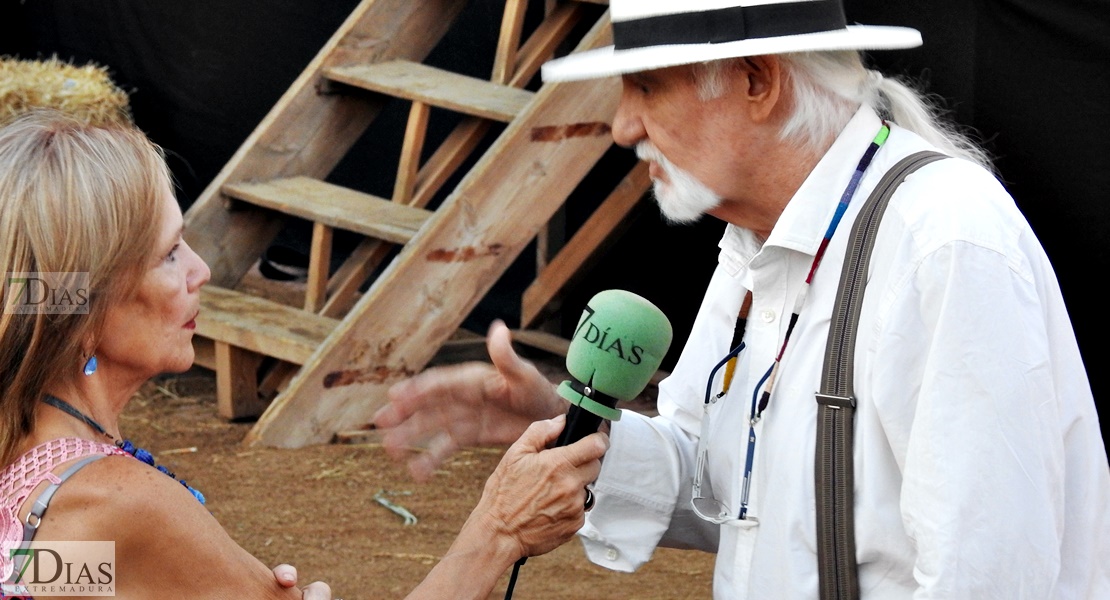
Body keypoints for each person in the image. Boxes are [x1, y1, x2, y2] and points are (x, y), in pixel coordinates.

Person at [374, 0, 1110, 597]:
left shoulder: (944, 242)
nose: (624, 125)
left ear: (759, 81)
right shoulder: (756, 241)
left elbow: (987, 578)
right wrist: (572, 427)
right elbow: (722, 478)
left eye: (648, 87)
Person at [0, 109, 607, 599]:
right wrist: (497, 530)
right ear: (78, 312)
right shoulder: (122, 503)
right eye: (168, 254)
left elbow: (61, 582)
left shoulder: (33, 471)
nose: (202, 270)